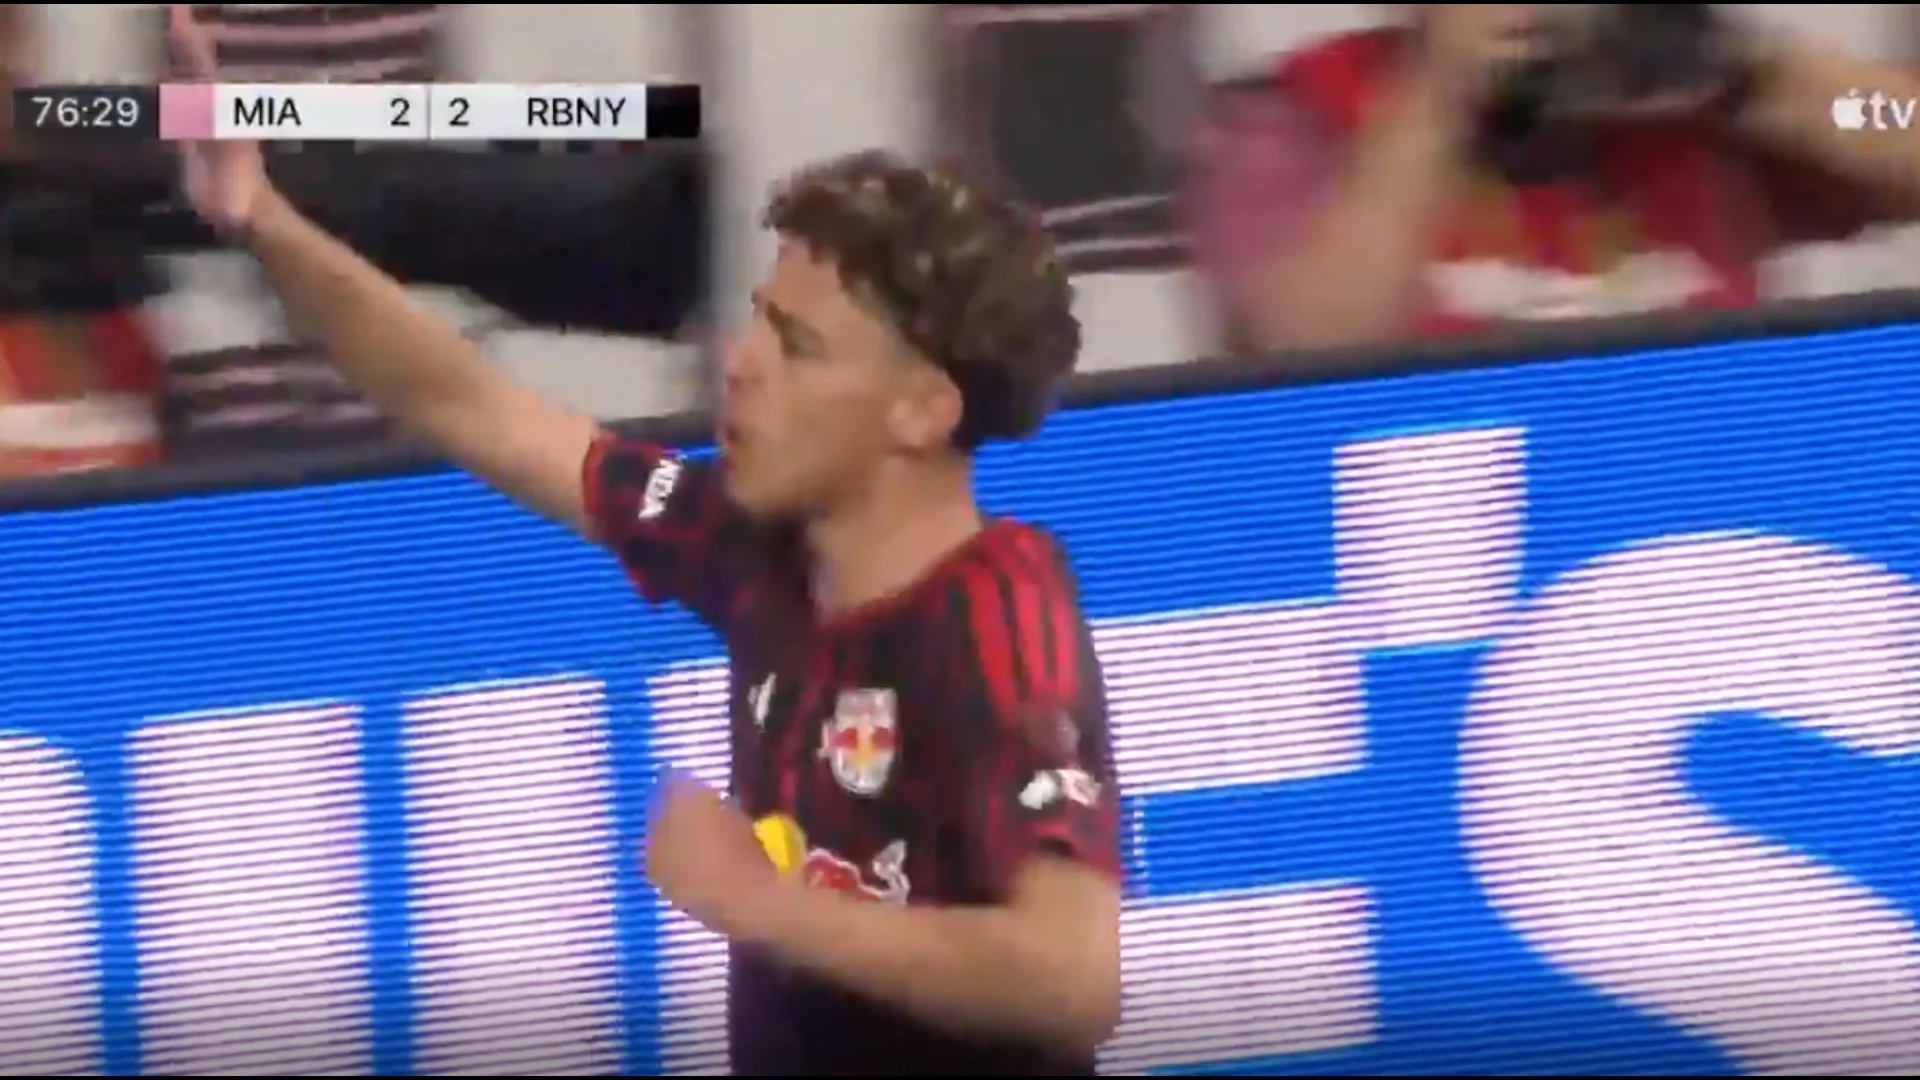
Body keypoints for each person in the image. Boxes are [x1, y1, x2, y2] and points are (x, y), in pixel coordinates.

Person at [166, 5, 1121, 1075]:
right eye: (757, 319)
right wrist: (262, 216)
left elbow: (1071, 979)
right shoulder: (751, 544)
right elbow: (468, 402)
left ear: (921, 409)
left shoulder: (994, 610)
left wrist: (762, 905)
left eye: (798, 346)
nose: (740, 363)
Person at [1187, 4, 1920, 353]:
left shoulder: (1689, 110)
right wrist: (1437, 96)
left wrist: (1760, 70)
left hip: (1707, 519)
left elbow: (1896, 127)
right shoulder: (1298, 117)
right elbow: (1303, 355)